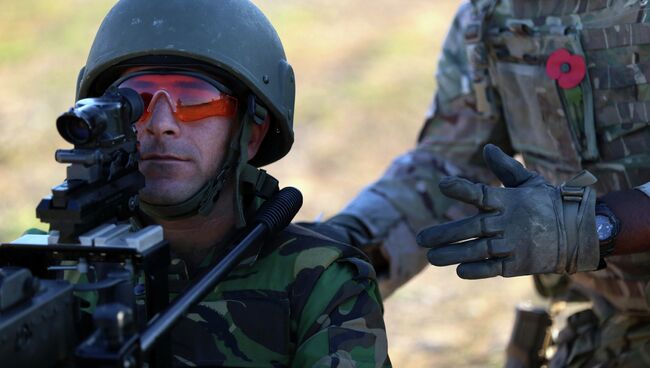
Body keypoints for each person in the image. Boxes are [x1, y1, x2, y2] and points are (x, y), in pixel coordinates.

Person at [314, 0, 650, 366]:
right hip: (613, 332)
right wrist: (339, 248)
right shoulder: (492, 15)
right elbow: (451, 165)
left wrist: (591, 226)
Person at [67, 0, 391, 366]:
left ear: (251, 132)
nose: (160, 123)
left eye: (193, 99)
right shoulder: (51, 276)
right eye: (135, 100)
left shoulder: (318, 282)